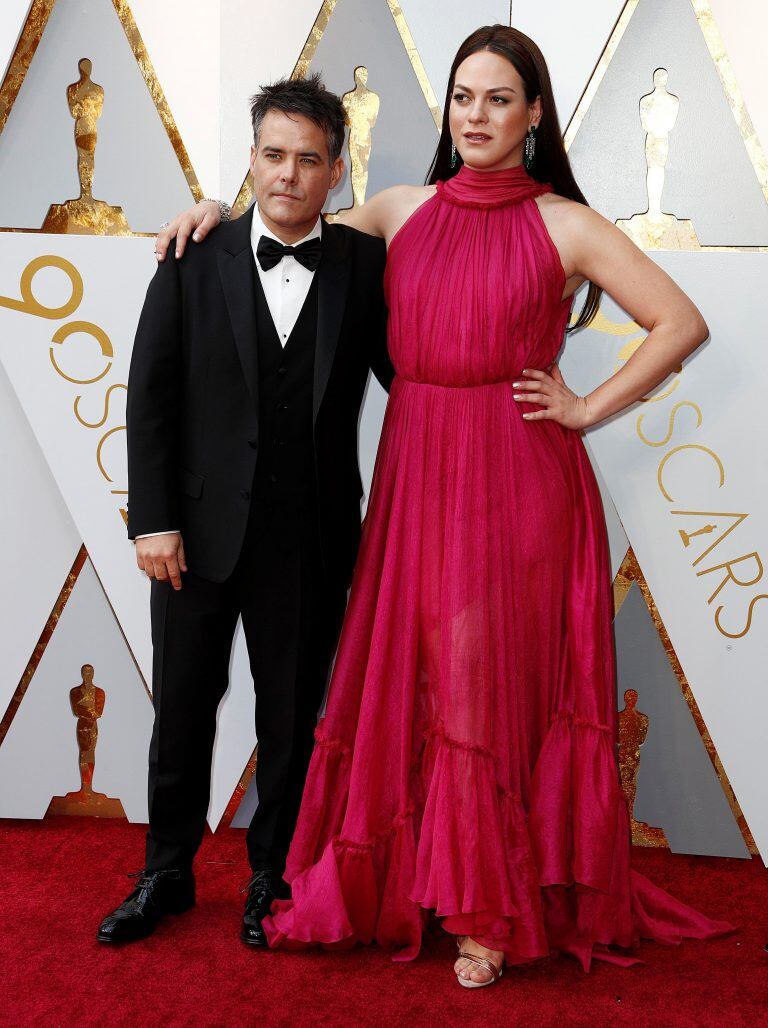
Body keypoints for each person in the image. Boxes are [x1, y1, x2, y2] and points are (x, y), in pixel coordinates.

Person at [155, 25, 734, 987]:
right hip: (418, 474)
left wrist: (585, 407)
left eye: (499, 99)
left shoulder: (566, 223)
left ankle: (488, 910)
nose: (476, 114)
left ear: (535, 114)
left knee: (485, 688)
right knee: (418, 678)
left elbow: (680, 320)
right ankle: (423, 880)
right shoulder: (399, 209)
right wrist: (214, 206)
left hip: (518, 481)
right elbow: (287, 226)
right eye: (463, 96)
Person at [97, 75, 393, 946]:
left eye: (309, 160)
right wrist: (152, 521)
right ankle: (165, 872)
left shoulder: (367, 266)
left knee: (291, 720)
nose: (288, 176)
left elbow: (419, 375)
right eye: (273, 156)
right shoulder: (195, 254)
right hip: (191, 536)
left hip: (311, 539)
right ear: (250, 160)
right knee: (181, 708)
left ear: (337, 173)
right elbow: (148, 398)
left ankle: (275, 876)